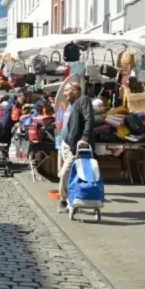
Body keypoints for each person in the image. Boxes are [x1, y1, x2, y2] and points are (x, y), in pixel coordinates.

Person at [58, 82, 94, 213]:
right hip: (65, 144)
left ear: (75, 90)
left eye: (66, 90)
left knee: (65, 173)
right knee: (67, 174)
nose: (64, 93)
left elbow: (89, 119)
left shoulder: (83, 100)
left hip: (74, 145)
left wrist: (85, 138)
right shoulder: (71, 104)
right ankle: (72, 200)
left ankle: (63, 201)